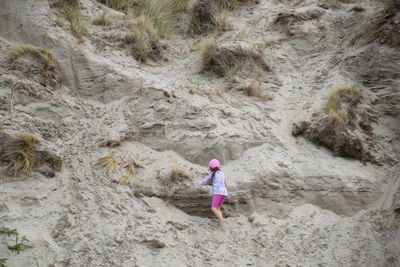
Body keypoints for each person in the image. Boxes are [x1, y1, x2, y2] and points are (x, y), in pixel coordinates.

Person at [198, 159, 228, 228]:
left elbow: (204, 181)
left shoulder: (212, 174)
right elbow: (222, 183)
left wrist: (198, 184)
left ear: (211, 167)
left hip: (217, 193)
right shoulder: (222, 174)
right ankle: (221, 224)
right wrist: (212, 184)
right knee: (218, 208)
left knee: (213, 208)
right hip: (224, 193)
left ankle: (221, 220)